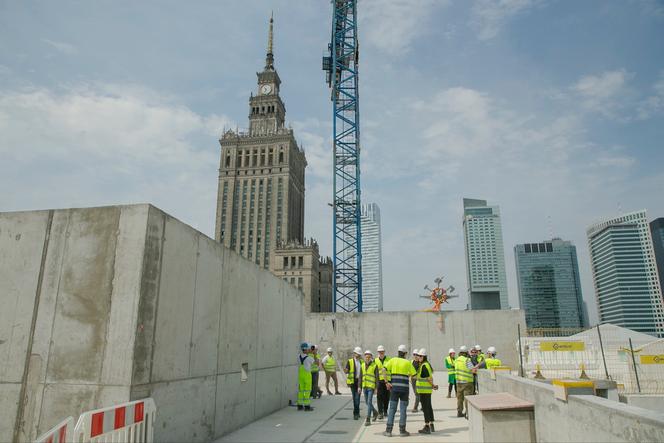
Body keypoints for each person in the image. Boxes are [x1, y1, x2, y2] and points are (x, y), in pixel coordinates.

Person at [382, 344, 417, 437]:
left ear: (398, 352)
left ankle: (388, 431)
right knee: (403, 410)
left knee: (392, 409)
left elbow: (383, 369)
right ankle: (402, 431)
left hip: (394, 389)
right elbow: (414, 375)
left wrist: (386, 382)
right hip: (405, 390)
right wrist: (407, 376)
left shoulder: (392, 360)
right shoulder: (408, 362)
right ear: (405, 353)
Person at [416, 348, 438, 434]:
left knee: (425, 408)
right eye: (418, 356)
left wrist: (433, 385)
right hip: (426, 390)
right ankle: (431, 424)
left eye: (420, 356)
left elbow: (428, 378)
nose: (419, 357)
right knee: (429, 407)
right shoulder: (426, 364)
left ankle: (427, 426)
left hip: (424, 390)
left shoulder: (424, 366)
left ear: (424, 357)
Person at [454, 346, 475, 418]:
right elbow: (472, 370)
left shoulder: (456, 360)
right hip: (467, 382)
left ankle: (459, 412)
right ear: (466, 353)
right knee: (467, 398)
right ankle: (468, 414)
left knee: (459, 398)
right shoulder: (467, 360)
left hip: (458, 382)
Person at [361, 350, 380, 426]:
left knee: (369, 402)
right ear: (365, 357)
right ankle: (375, 412)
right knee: (367, 402)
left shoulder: (374, 365)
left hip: (371, 387)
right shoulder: (362, 365)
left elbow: (377, 378)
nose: (367, 358)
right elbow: (360, 376)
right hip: (364, 386)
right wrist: (359, 387)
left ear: (371, 357)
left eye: (369, 357)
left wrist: (376, 388)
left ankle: (368, 419)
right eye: (366, 357)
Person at [345, 347, 364, 420]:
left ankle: (356, 412)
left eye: (359, 354)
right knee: (355, 398)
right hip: (353, 382)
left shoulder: (362, 362)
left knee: (358, 398)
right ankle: (356, 413)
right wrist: (346, 370)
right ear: (354, 353)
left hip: (359, 382)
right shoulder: (350, 361)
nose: (358, 355)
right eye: (357, 354)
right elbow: (346, 370)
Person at [297, 342, 315, 411]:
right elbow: (316, 363)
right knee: (307, 390)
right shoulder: (309, 358)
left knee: (301, 390)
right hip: (307, 375)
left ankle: (300, 405)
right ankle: (307, 406)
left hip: (300, 375)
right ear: (306, 349)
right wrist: (314, 354)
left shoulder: (298, 357)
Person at [375, 345, 390, 419]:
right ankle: (380, 413)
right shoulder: (375, 361)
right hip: (379, 381)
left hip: (387, 381)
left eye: (382, 351)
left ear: (384, 352)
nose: (381, 353)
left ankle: (385, 411)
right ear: (378, 352)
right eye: (380, 352)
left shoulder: (389, 360)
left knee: (387, 397)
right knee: (379, 397)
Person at [410, 348, 421, 413]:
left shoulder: (420, 363)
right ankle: (423, 404)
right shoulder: (411, 362)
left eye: (416, 354)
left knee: (417, 394)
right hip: (413, 380)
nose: (415, 356)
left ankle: (415, 407)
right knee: (416, 393)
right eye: (414, 354)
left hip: (418, 380)